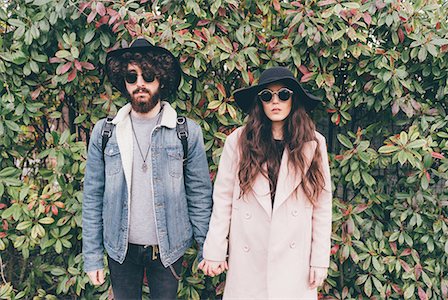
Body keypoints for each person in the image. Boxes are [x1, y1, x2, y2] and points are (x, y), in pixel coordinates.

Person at [82, 38, 212, 300]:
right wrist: (93, 257)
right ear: (124, 82)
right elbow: (92, 198)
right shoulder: (105, 132)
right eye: (132, 76)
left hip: (168, 248)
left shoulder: (186, 132)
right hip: (121, 249)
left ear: (161, 79)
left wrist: (207, 248)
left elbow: (199, 195)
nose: (140, 83)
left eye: (148, 75)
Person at [199, 67, 333, 299]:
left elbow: (322, 206)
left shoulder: (313, 143)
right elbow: (223, 199)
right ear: (259, 102)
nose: (275, 101)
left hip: (294, 262)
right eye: (267, 96)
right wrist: (215, 250)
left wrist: (319, 260)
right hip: (249, 256)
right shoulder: (239, 141)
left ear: (294, 99)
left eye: (283, 94)